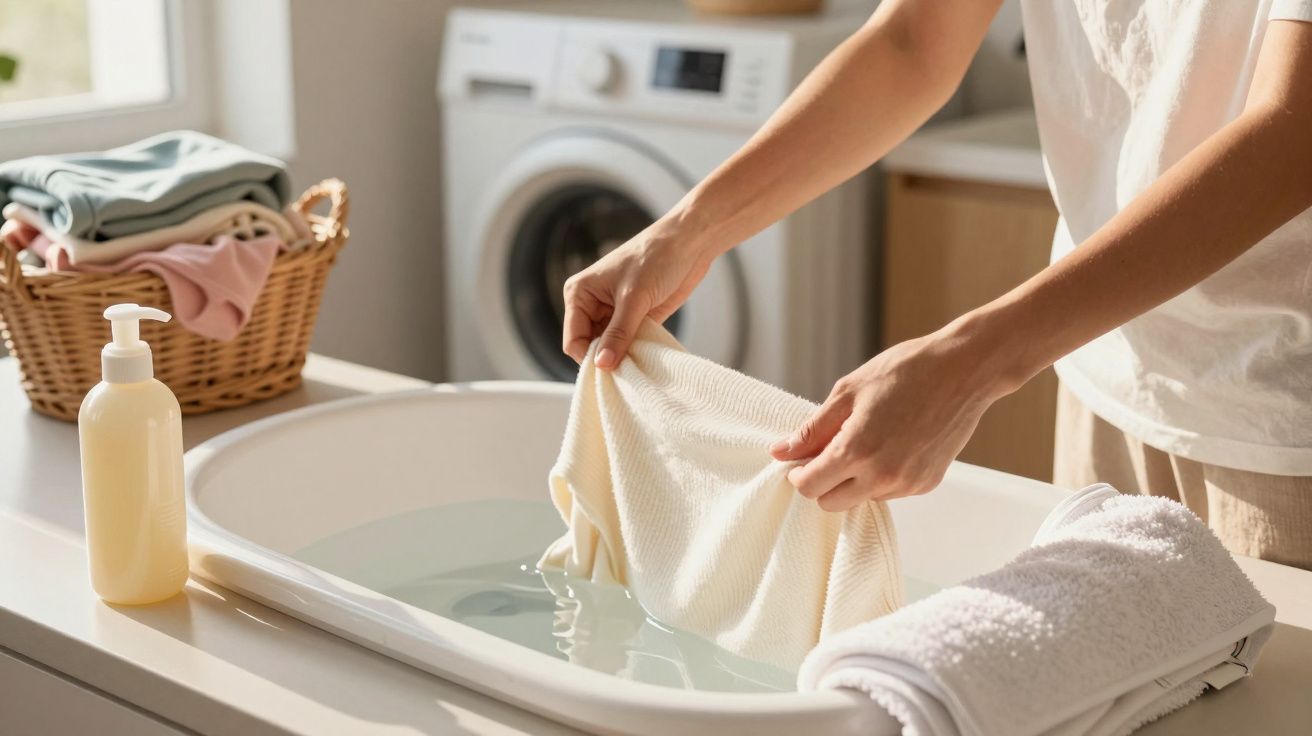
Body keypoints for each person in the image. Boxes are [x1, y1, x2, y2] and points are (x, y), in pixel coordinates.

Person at [560, 0, 1312, 569]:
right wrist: (686, 231)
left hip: (1277, 414)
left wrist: (972, 364)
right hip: (1103, 370)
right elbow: (913, 42)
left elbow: (1294, 131)